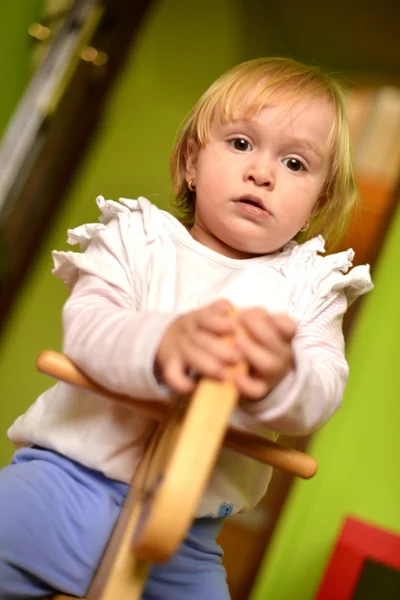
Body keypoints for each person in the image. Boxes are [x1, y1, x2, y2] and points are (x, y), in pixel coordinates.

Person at [0, 57, 372, 599]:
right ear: (193, 163)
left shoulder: (312, 288)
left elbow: (321, 387)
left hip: (187, 541)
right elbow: (89, 327)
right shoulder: (135, 238)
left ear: (319, 201)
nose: (263, 173)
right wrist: (161, 342)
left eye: (295, 163)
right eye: (242, 144)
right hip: (59, 487)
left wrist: (280, 376)